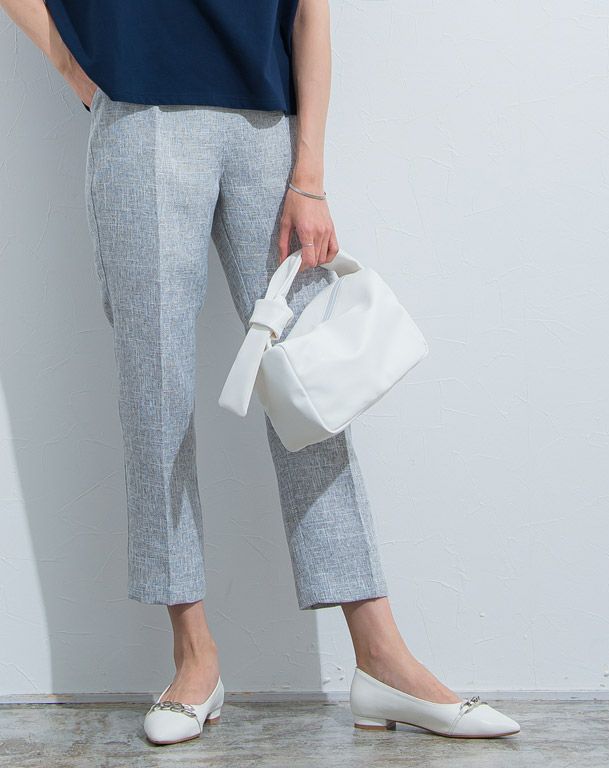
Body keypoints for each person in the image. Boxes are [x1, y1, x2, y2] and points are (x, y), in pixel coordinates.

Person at [1, 0, 520, 747]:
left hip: (267, 130)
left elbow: (310, 10)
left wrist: (310, 175)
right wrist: (79, 69)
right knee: (156, 396)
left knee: (311, 391)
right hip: (141, 118)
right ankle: (194, 657)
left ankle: (382, 658)